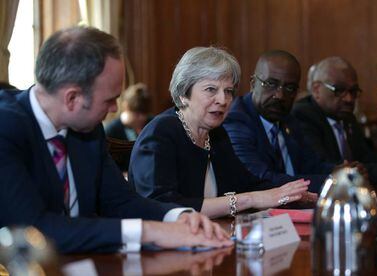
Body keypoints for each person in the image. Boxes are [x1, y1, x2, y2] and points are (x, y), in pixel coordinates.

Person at [0, 26, 232, 254]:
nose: (114, 109)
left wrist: (179, 216)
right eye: (110, 100)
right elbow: (33, 231)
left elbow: (121, 201)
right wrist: (150, 232)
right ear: (72, 98)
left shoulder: (88, 128)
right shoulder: (6, 128)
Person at [129, 46, 316, 218]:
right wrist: (249, 199)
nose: (223, 100)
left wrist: (291, 194)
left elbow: (248, 184)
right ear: (183, 94)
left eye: (228, 91)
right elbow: (162, 207)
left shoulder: (216, 134)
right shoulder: (160, 134)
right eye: (211, 89)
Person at [222, 50, 335, 193]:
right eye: (270, 84)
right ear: (253, 84)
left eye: (290, 88)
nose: (280, 95)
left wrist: (343, 173)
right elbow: (261, 179)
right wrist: (332, 183)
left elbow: (312, 165)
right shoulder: (237, 120)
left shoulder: (289, 119)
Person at [292, 56, 377, 185]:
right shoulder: (303, 116)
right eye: (339, 90)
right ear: (316, 89)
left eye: (353, 91)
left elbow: (366, 157)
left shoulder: (347, 117)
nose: (349, 99)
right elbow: (332, 169)